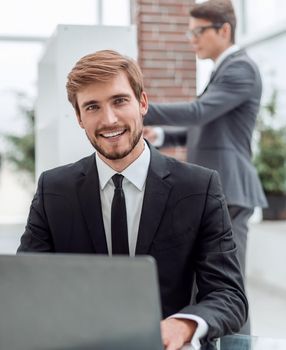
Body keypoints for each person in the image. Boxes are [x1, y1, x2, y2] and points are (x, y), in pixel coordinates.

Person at [18, 49, 247, 350]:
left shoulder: (198, 187)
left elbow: (229, 295)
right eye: (92, 107)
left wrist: (185, 324)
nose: (109, 119)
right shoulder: (53, 190)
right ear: (78, 117)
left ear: (142, 103)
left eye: (119, 101)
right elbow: (25, 286)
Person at [144, 0, 267, 317]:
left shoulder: (240, 69)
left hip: (231, 188)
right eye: (190, 32)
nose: (193, 39)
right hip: (217, 190)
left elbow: (199, 113)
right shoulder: (223, 71)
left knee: (227, 288)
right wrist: (161, 136)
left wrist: (138, 108)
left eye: (198, 31)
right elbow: (206, 128)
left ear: (223, 30)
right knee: (209, 286)